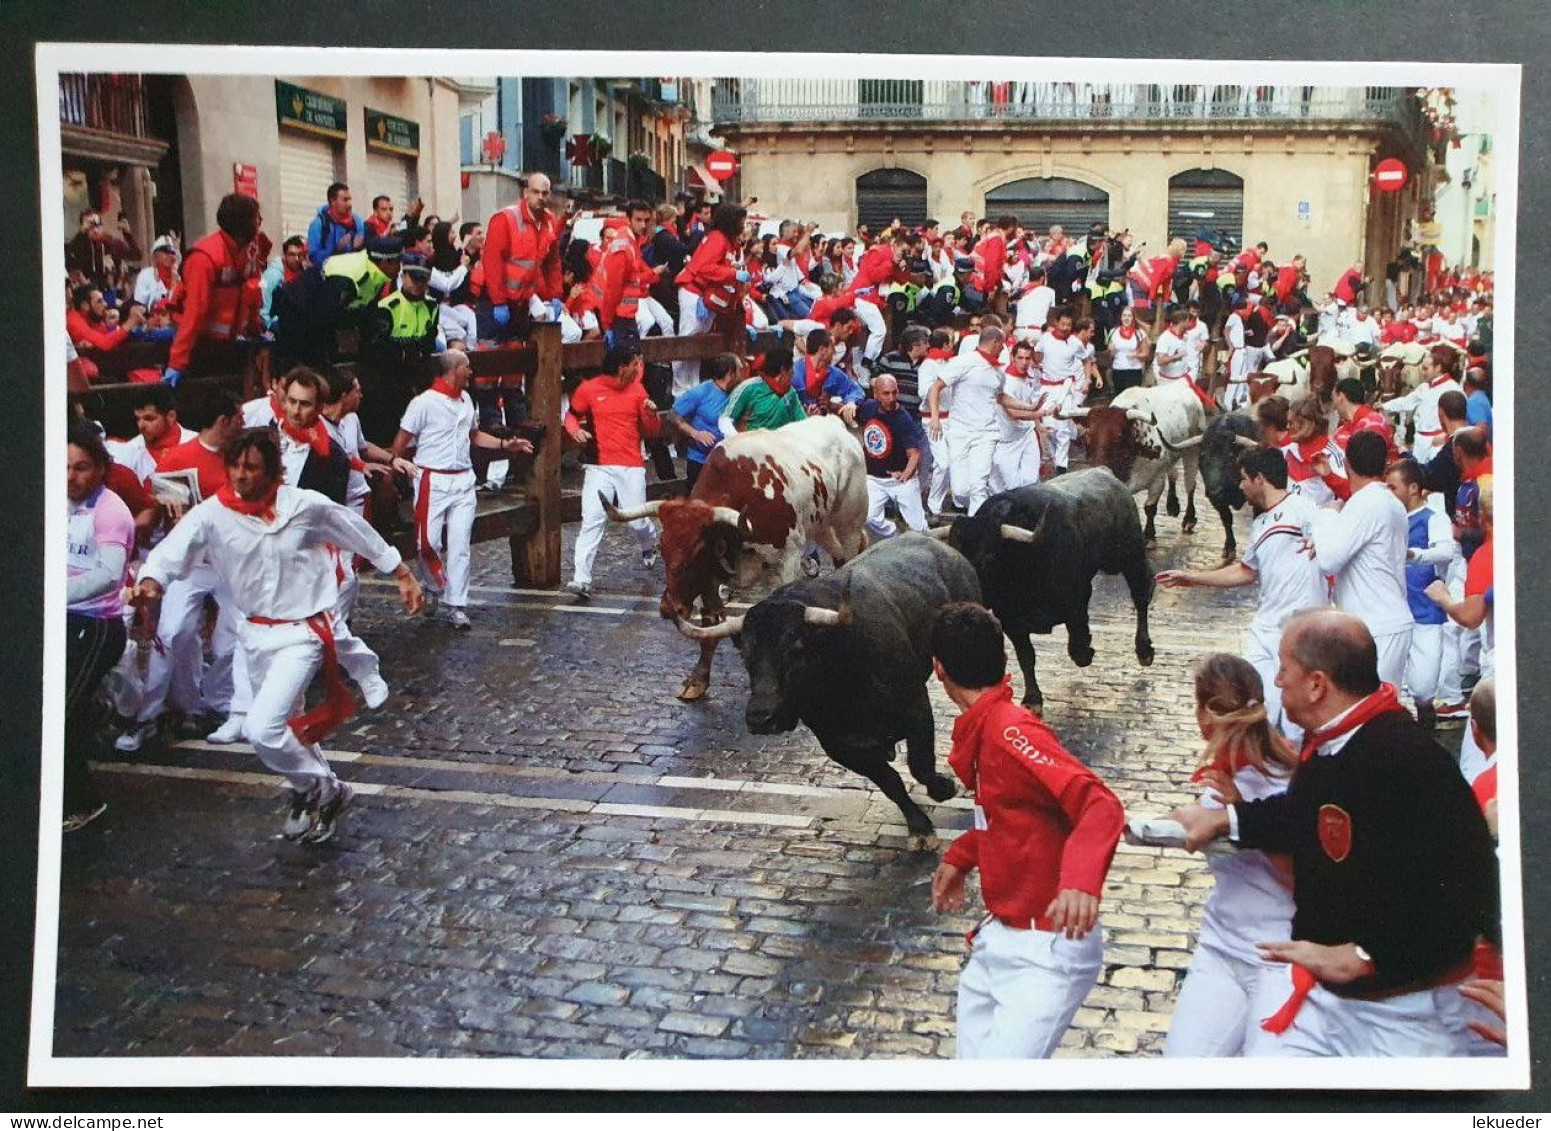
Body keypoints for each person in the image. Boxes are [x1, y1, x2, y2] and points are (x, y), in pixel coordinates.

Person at [1170, 609, 1498, 1057]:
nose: (1278, 681)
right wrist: (1230, 820)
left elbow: (1468, 889)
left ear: (1317, 684)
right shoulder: (1331, 741)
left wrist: (1367, 957)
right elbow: (1305, 814)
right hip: (1329, 1003)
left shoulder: (1408, 761)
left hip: (1407, 1014)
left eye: (1285, 668)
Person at [131, 429, 424, 844]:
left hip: (302, 633)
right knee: (290, 726)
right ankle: (315, 792)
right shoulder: (213, 513)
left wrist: (401, 572)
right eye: (235, 465)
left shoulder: (303, 507)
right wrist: (151, 580)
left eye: (251, 467)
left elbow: (354, 529)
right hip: (254, 635)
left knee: (262, 728)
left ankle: (322, 788)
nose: (240, 475)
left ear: (271, 471)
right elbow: (171, 550)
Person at [928, 602, 1125, 1059]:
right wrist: (961, 856)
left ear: (939, 670)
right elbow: (1011, 817)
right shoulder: (988, 727)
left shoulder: (1011, 731)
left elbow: (1101, 806)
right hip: (1001, 938)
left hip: (1046, 950)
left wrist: (1080, 882)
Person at [1162, 654, 1299, 1057]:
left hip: (1280, 958)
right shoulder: (1219, 779)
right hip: (1220, 946)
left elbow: (1301, 878)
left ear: (1204, 716)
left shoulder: (1288, 782)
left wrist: (1240, 818)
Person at [1157, 445, 1328, 739]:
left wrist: (1324, 538)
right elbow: (1246, 571)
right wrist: (1192, 578)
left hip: (1300, 633)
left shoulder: (1303, 509)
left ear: (1259, 479)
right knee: (1257, 705)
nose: (1240, 486)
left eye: (1244, 478)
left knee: (1295, 721)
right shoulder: (1261, 524)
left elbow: (1334, 520)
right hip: (1264, 630)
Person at [391, 350, 533, 629]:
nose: (470, 372)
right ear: (453, 369)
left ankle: (456, 605)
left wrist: (505, 446)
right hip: (432, 478)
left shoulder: (467, 400)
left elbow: (474, 435)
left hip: (463, 480)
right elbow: (402, 440)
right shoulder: (423, 403)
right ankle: (437, 585)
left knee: (460, 545)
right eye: (466, 367)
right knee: (427, 543)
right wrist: (398, 463)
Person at [64, 422, 135, 832]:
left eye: (82, 468)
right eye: (66, 467)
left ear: (101, 469)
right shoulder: (55, 498)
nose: (72, 477)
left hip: (95, 624)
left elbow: (109, 574)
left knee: (62, 713)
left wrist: (55, 594)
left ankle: (83, 802)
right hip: (60, 618)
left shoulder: (111, 511)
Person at [1307, 431, 1412, 688]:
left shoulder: (1366, 503)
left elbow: (1330, 560)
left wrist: (1326, 516)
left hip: (1376, 625)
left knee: (1371, 715)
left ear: (1346, 463)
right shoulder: (1387, 501)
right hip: (1384, 621)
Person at [564, 342, 663, 601]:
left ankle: (649, 543)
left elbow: (652, 430)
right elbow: (571, 415)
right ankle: (581, 578)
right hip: (599, 466)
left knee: (637, 521)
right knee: (592, 519)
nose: (638, 368)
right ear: (622, 368)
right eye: (634, 363)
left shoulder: (638, 390)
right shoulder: (589, 389)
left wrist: (652, 414)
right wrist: (574, 430)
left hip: (631, 466)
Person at [166, 193, 268, 386]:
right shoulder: (204, 258)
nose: (260, 222)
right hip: (198, 346)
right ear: (243, 223)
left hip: (228, 344)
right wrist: (177, 362)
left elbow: (253, 290)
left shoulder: (249, 250)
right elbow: (194, 312)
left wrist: (255, 327)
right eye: (257, 217)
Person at [1384, 458, 1456, 730]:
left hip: (1426, 614)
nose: (1389, 494)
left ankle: (1426, 730)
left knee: (1424, 688)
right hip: (1392, 614)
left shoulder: (1434, 519)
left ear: (1413, 488)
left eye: (1393, 487)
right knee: (1387, 683)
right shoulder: (1387, 518)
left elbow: (1446, 551)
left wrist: (1415, 554)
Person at [928, 324, 1005, 515]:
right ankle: (986, 513)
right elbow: (935, 388)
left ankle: (977, 530)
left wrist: (1030, 407)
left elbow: (1001, 397)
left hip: (986, 434)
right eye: (1001, 345)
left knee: (978, 486)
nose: (1003, 350)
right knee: (961, 490)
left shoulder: (998, 372)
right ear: (995, 342)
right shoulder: (962, 362)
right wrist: (935, 418)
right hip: (960, 432)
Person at [479, 172, 564, 344]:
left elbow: (552, 262)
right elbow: (492, 261)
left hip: (521, 299)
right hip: (494, 298)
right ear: (526, 193)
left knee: (516, 352)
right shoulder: (505, 219)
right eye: (535, 192)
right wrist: (498, 301)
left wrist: (555, 294)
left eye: (544, 193)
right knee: (490, 354)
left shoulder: (549, 222)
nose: (540, 197)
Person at [673, 202, 748, 394]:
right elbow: (704, 267)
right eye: (741, 221)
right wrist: (732, 274)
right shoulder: (717, 239)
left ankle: (692, 387)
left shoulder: (727, 241)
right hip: (694, 291)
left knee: (698, 343)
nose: (744, 225)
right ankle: (680, 390)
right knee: (687, 340)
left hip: (707, 295)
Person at [857, 373, 928, 539]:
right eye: (886, 393)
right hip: (874, 479)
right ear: (875, 394)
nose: (891, 398)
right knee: (868, 517)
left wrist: (906, 474)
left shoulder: (903, 419)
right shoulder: (868, 407)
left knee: (919, 530)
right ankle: (897, 536)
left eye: (894, 393)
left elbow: (915, 453)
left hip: (900, 481)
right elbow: (849, 411)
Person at [275, 367, 351, 503]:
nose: (295, 411)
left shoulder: (334, 459)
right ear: (285, 401)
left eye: (304, 404)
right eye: (292, 401)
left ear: (319, 409)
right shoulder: (263, 437)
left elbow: (331, 513)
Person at [667, 352, 741, 491]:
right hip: (700, 461)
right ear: (730, 374)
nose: (742, 376)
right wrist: (695, 433)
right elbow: (673, 415)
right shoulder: (702, 391)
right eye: (739, 371)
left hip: (728, 461)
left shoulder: (739, 393)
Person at [1380, 345, 1463, 464]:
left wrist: (1445, 437)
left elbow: (1461, 421)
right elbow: (1407, 401)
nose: (1422, 373)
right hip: (1419, 441)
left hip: (1437, 443)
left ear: (1438, 368)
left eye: (1425, 369)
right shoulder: (1424, 387)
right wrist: (1384, 406)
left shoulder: (1453, 389)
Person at [991, 339, 1043, 492]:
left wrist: (1039, 426)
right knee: (1010, 486)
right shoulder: (1005, 380)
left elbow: (1032, 401)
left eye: (1028, 358)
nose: (1024, 362)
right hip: (1006, 440)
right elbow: (1013, 413)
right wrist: (1039, 413)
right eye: (1020, 358)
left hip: (1027, 434)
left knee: (1030, 480)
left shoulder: (1031, 376)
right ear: (1013, 358)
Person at [1280, 396, 1349, 507]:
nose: (1287, 427)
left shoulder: (1333, 455)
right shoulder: (1285, 452)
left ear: (1305, 424)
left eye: (1291, 422)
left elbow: (1348, 495)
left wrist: (1329, 477)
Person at [720, 348, 806, 435]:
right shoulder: (749, 388)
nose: (793, 372)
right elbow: (725, 419)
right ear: (783, 370)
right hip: (754, 444)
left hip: (782, 444)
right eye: (791, 367)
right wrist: (738, 439)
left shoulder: (790, 392)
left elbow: (802, 421)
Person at [794, 328, 865, 411]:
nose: (834, 352)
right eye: (832, 347)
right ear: (822, 350)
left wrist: (850, 402)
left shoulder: (834, 374)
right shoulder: (794, 372)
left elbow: (857, 391)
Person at [1331, 378, 1398, 463]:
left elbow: (1369, 464)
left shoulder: (1373, 422)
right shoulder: (1344, 427)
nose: (1333, 406)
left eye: (1333, 399)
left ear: (1341, 397)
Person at [67, 283, 141, 353]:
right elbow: (105, 343)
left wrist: (112, 324)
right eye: (99, 301)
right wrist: (131, 322)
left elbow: (105, 334)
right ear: (85, 305)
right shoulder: (74, 321)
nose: (105, 304)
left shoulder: (90, 316)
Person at [306, 182, 367, 265]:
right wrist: (336, 250)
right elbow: (314, 257)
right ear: (332, 201)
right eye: (345, 200)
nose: (349, 204)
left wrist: (360, 247)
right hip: (329, 275)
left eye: (350, 199)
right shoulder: (318, 224)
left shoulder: (358, 222)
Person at [260, 236, 308, 332]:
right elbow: (262, 304)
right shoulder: (272, 275)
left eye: (300, 255)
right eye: (292, 255)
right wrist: (269, 325)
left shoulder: (302, 272)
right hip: (276, 323)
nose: (296, 259)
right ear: (284, 255)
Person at [1107, 305, 1149, 396]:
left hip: (1134, 371)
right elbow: (1110, 356)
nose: (1126, 318)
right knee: (1119, 398)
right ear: (1121, 317)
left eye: (1129, 316)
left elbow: (1146, 354)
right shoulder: (1113, 332)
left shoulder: (1140, 333)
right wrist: (1111, 351)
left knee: (1133, 399)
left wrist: (1136, 355)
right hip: (1118, 370)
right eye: (1124, 315)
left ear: (1133, 318)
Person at [133, 235, 180, 310]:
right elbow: (140, 305)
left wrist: (174, 284)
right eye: (165, 251)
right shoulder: (146, 275)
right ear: (155, 256)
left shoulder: (179, 277)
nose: (170, 255)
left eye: (172, 252)